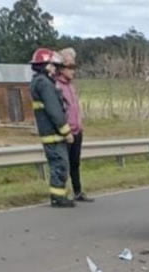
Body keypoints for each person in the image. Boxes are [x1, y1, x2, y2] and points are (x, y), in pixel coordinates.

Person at [29, 48, 75, 208]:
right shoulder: (45, 84)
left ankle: (58, 196)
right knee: (60, 165)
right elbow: (54, 111)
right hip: (53, 135)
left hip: (49, 133)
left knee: (58, 165)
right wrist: (66, 131)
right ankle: (58, 198)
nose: (56, 69)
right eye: (53, 65)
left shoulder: (38, 82)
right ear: (46, 65)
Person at [56, 48, 93, 202]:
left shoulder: (71, 86)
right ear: (61, 68)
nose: (73, 71)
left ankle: (77, 191)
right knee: (64, 164)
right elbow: (58, 111)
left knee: (75, 163)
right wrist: (65, 130)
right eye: (70, 67)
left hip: (77, 130)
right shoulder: (57, 86)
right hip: (66, 131)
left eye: (74, 67)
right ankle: (61, 194)